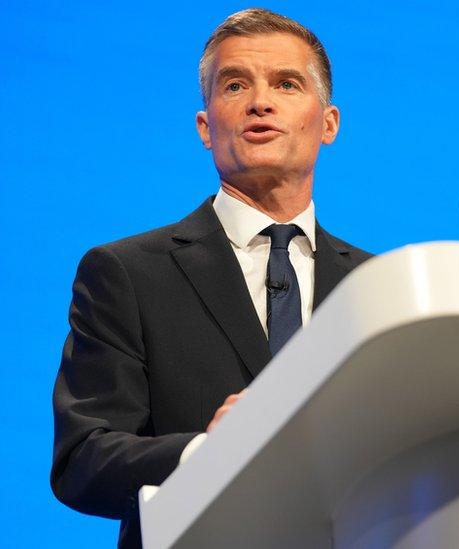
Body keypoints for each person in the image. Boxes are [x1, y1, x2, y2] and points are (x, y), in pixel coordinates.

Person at [50, 9, 371, 548]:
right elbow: (83, 460)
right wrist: (208, 452)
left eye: (287, 84)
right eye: (234, 85)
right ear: (206, 126)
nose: (259, 102)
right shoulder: (126, 273)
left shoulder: (377, 285)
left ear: (329, 123)